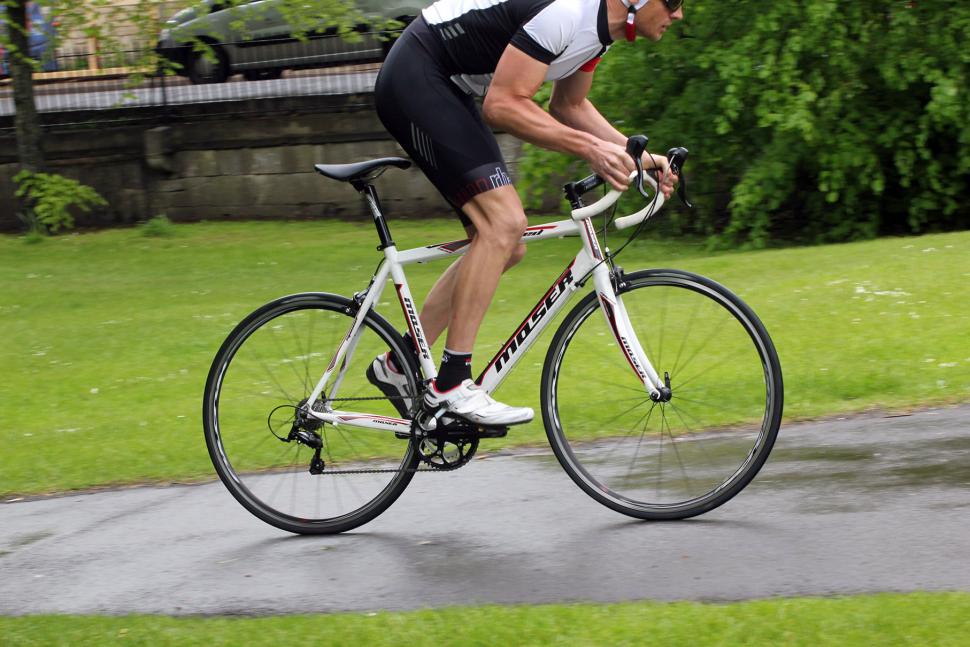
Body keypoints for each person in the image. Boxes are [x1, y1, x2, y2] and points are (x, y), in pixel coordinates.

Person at [369, 0, 683, 427]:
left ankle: (398, 363)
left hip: (450, 85)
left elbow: (569, 106)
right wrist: (590, 149)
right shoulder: (566, 13)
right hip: (419, 73)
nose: (678, 14)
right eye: (674, 1)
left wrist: (641, 156)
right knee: (504, 224)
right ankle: (452, 385)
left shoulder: (597, 36)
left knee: (506, 246)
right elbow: (501, 105)